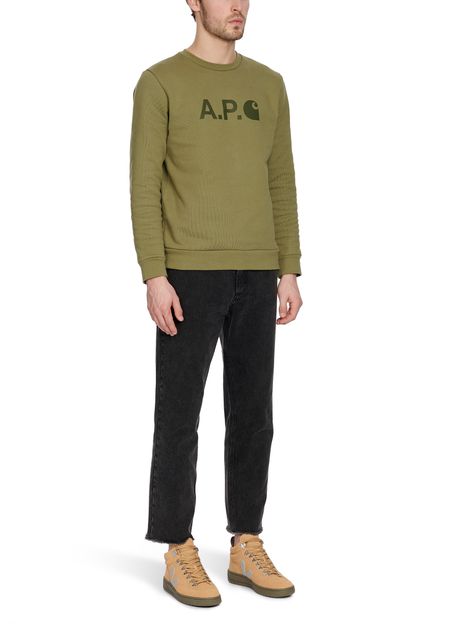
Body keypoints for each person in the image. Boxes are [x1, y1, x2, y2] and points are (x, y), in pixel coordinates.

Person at [129, 0, 303, 607]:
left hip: (259, 269)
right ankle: (177, 546)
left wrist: (288, 266)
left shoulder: (268, 85)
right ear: (193, 2)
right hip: (188, 272)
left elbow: (281, 178)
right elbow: (144, 183)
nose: (238, 6)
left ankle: (245, 541)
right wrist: (155, 274)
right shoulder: (160, 82)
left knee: (254, 415)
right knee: (179, 416)